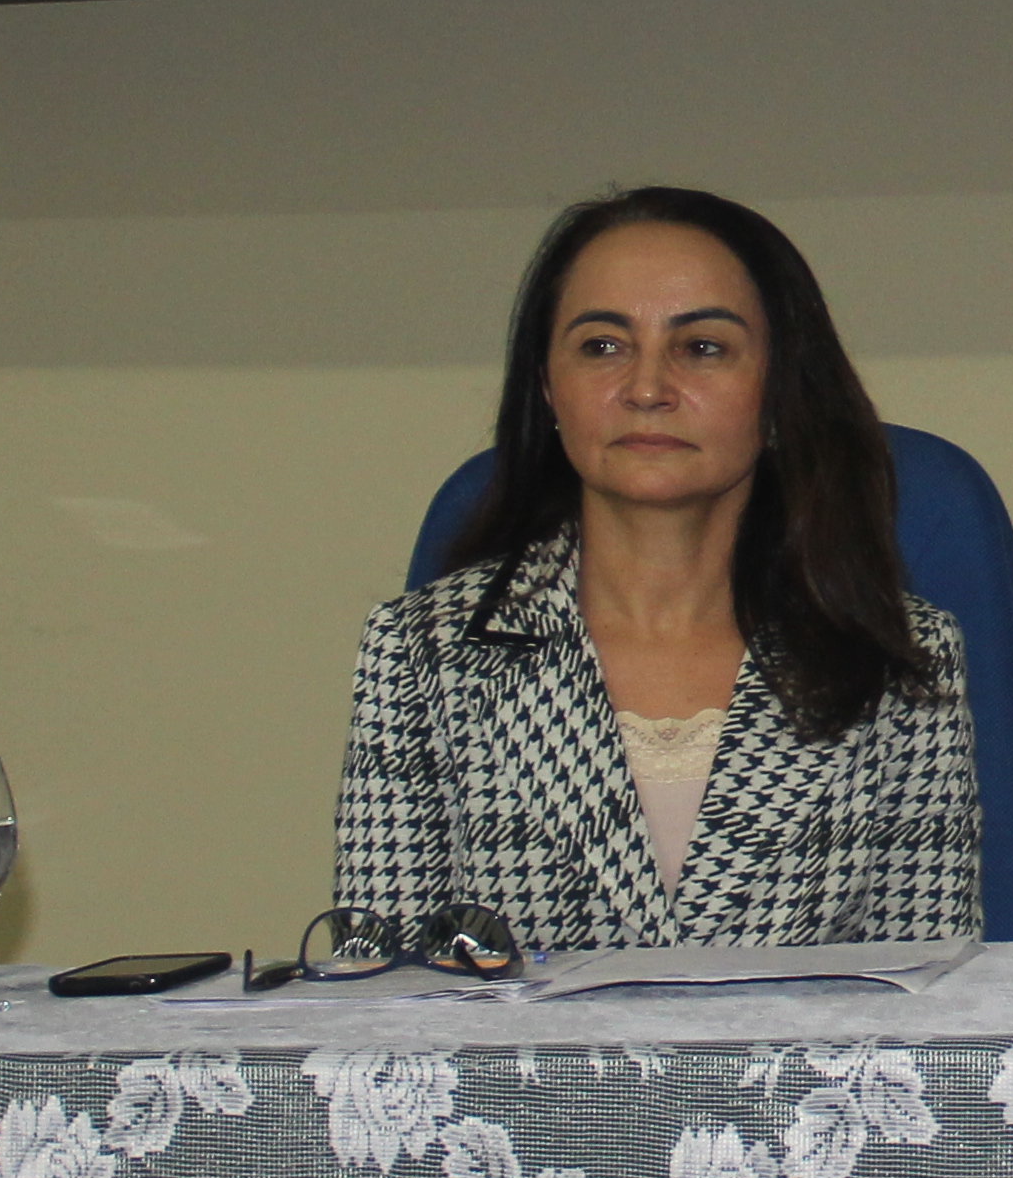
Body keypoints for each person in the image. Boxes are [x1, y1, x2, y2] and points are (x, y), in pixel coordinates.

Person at [338, 186, 978, 948]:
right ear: (548, 387)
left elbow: (928, 1025)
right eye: (601, 347)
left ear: (777, 392)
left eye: (701, 348)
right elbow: (382, 1024)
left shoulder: (898, 660)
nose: (646, 390)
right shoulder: (421, 655)